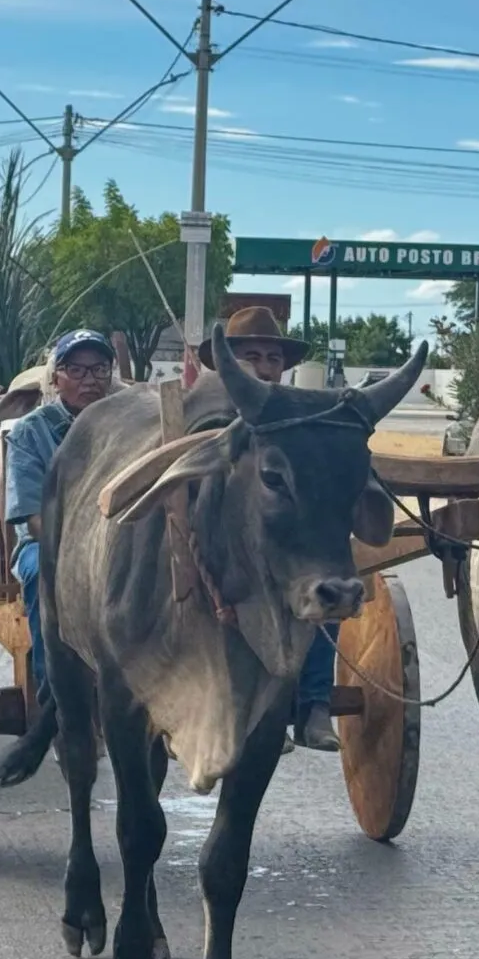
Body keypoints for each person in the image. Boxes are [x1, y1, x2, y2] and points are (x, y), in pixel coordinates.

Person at [203, 306, 340, 753]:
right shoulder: (204, 415)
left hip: (281, 546)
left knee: (330, 586)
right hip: (217, 554)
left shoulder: (302, 420)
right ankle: (224, 706)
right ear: (226, 362)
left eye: (273, 358)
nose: (263, 368)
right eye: (251, 356)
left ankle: (314, 704)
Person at [0, 328, 118, 787]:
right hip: (50, 547)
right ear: (57, 377)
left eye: (99, 369)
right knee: (40, 576)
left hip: (120, 546)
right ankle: (56, 696)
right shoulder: (30, 433)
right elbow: (32, 520)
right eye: (78, 370)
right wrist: (83, 555)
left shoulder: (128, 424)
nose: (90, 379)